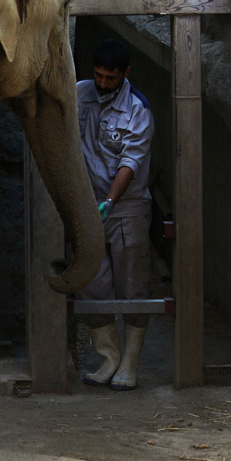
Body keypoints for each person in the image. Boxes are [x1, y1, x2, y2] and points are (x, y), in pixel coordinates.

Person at [76, 39, 154, 390]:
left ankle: (131, 362)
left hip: (126, 208)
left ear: (126, 74)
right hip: (87, 205)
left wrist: (109, 200)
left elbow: (130, 162)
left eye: (110, 78)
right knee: (93, 282)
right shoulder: (80, 94)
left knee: (132, 284)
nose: (103, 83)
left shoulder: (138, 109)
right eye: (98, 76)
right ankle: (108, 358)